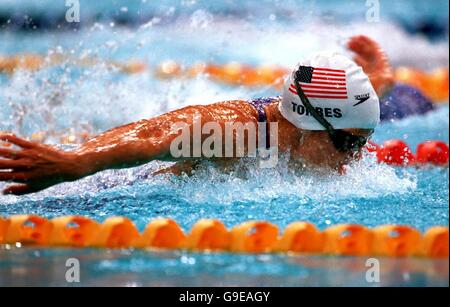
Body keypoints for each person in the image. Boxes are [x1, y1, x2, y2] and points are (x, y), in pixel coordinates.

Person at [0, 35, 396, 195]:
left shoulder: (325, 118)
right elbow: (149, 137)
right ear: (310, 129)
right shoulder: (236, 133)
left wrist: (379, 78)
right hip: (127, 183)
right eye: (349, 144)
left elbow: (349, 107)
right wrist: (75, 163)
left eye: (361, 141)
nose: (357, 155)